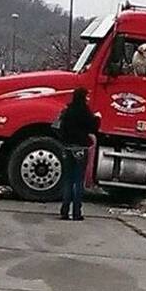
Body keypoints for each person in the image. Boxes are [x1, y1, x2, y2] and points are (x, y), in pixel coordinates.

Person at [57, 87, 100, 221]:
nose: (88, 98)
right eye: (86, 96)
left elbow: (60, 128)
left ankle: (64, 211)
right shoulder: (85, 112)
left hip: (68, 148)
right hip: (81, 148)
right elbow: (92, 127)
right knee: (78, 181)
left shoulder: (67, 111)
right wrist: (98, 118)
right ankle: (76, 213)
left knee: (68, 180)